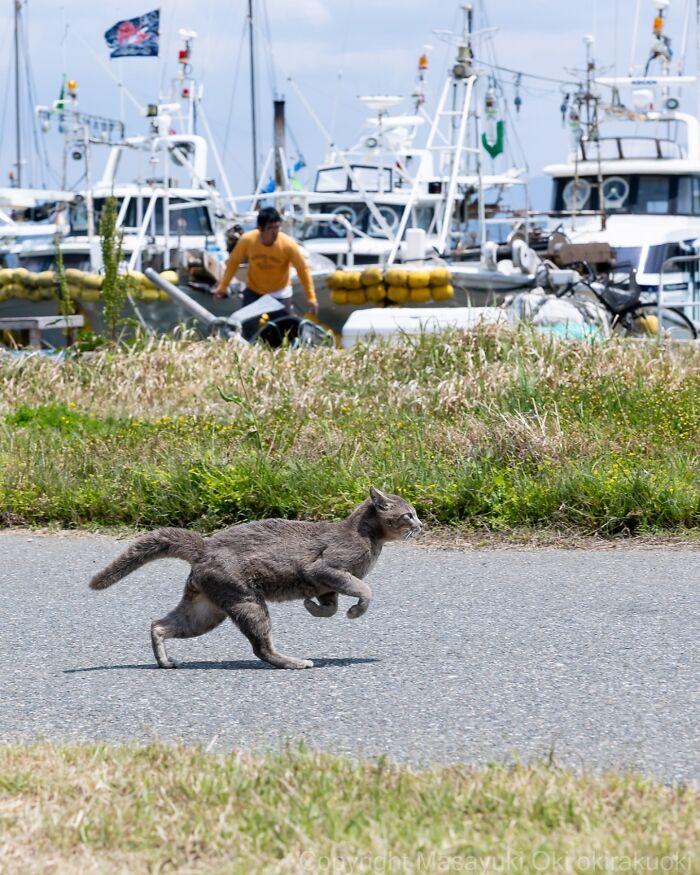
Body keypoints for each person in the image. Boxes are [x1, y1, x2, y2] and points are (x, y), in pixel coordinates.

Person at [213, 207, 318, 339]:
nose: (275, 232)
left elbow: (303, 270)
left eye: (277, 227)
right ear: (260, 228)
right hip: (254, 291)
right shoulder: (248, 240)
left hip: (280, 293)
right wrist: (222, 288)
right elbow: (233, 263)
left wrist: (311, 298)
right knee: (246, 327)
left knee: (286, 331)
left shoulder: (288, 244)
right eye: (271, 228)